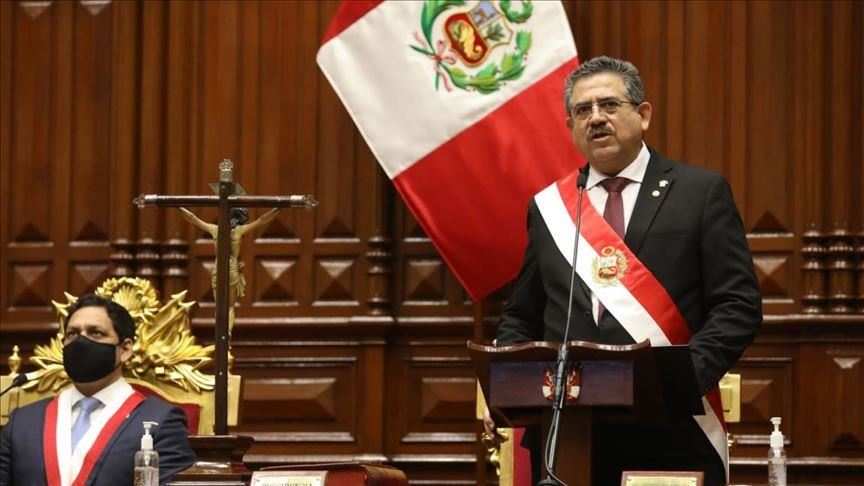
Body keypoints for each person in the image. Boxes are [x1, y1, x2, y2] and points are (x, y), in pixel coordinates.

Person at [493, 56, 762, 485]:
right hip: (570, 436)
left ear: (643, 114)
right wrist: (507, 379)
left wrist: (681, 379)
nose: (596, 118)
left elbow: (738, 305)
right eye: (583, 110)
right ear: (571, 127)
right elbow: (522, 314)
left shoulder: (699, 193)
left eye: (609, 105)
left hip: (671, 429)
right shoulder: (550, 208)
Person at [0, 294, 196, 485]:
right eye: (73, 334)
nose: (81, 342)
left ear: (125, 349)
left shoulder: (161, 421)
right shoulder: (22, 423)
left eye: (95, 333)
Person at [178, 206, 280, 335]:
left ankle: (220, 334)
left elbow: (193, 218)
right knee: (230, 307)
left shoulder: (215, 229)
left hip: (218, 266)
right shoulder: (239, 231)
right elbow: (262, 219)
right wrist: (278, 208)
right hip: (232, 267)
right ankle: (227, 334)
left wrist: (178, 207)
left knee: (220, 306)